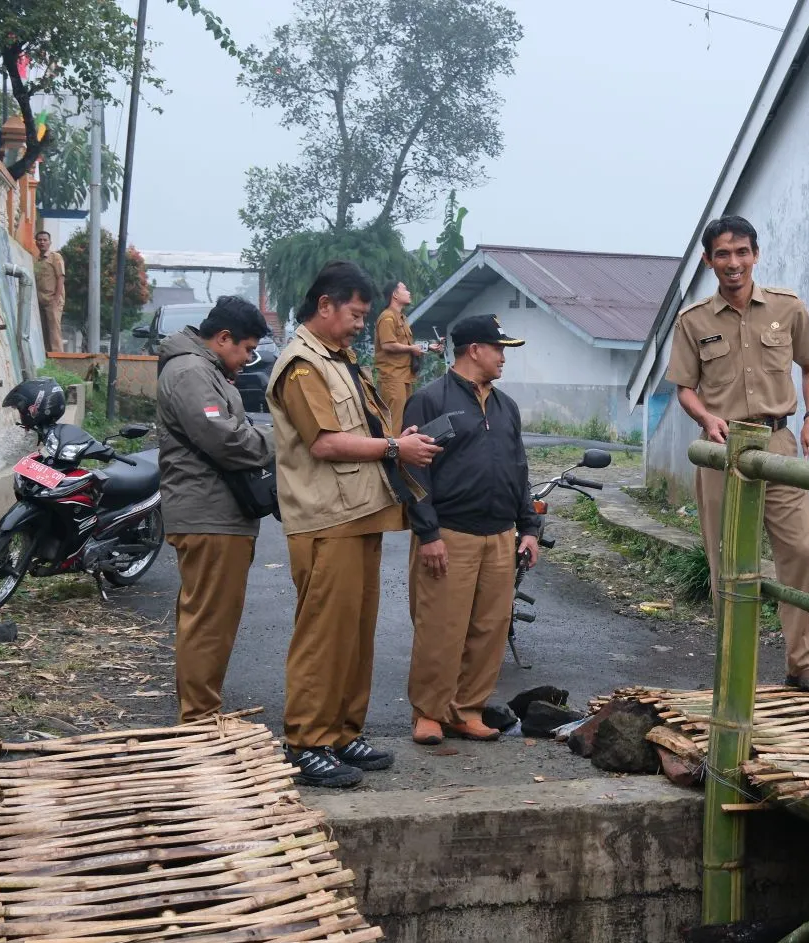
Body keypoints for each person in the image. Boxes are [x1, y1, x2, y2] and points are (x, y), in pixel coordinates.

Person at [267, 260, 441, 788]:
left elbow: (361, 426)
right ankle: (305, 741)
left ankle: (342, 732)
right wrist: (395, 446)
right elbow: (323, 442)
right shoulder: (302, 365)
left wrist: (396, 438)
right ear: (325, 305)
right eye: (356, 314)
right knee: (323, 634)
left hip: (360, 512)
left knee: (356, 634)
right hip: (325, 518)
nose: (362, 325)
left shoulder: (340, 360)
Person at [666, 215, 809, 693]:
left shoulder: (788, 308)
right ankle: (734, 659)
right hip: (723, 449)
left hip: (778, 443)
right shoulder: (693, 321)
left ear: (755, 254)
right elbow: (684, 388)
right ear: (709, 260)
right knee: (726, 558)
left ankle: (803, 661)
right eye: (723, 254)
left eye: (742, 252)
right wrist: (705, 418)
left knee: (798, 550)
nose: (733, 263)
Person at [402, 314, 542, 745]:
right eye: (498, 348)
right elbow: (412, 471)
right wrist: (428, 534)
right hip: (450, 533)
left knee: (490, 626)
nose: (503, 357)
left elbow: (518, 469)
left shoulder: (506, 407)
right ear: (474, 350)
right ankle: (429, 712)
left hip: (499, 535)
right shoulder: (430, 399)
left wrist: (530, 527)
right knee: (442, 626)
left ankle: (466, 709)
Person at [156, 296, 275, 724]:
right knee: (208, 621)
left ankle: (202, 713)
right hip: (208, 514)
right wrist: (278, 442)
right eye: (245, 349)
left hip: (218, 514)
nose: (247, 359)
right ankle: (201, 720)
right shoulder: (191, 371)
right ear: (223, 338)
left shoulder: (205, 369)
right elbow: (223, 438)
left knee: (210, 619)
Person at [374, 281, 439, 437]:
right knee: (394, 424)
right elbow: (388, 345)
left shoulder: (402, 318)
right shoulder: (387, 317)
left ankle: (403, 458)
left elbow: (406, 345)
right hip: (393, 378)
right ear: (395, 295)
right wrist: (412, 349)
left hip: (405, 377)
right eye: (405, 289)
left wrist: (428, 347)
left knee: (406, 421)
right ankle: (392, 459)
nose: (409, 292)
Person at [33, 230, 67, 353]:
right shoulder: (36, 260)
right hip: (40, 301)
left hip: (53, 300)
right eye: (39, 240)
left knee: (54, 331)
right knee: (44, 331)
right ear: (36, 242)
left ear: (50, 242)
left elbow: (61, 277)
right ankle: (48, 359)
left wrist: (56, 300)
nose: (42, 242)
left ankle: (58, 359)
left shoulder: (55, 257)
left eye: (45, 240)